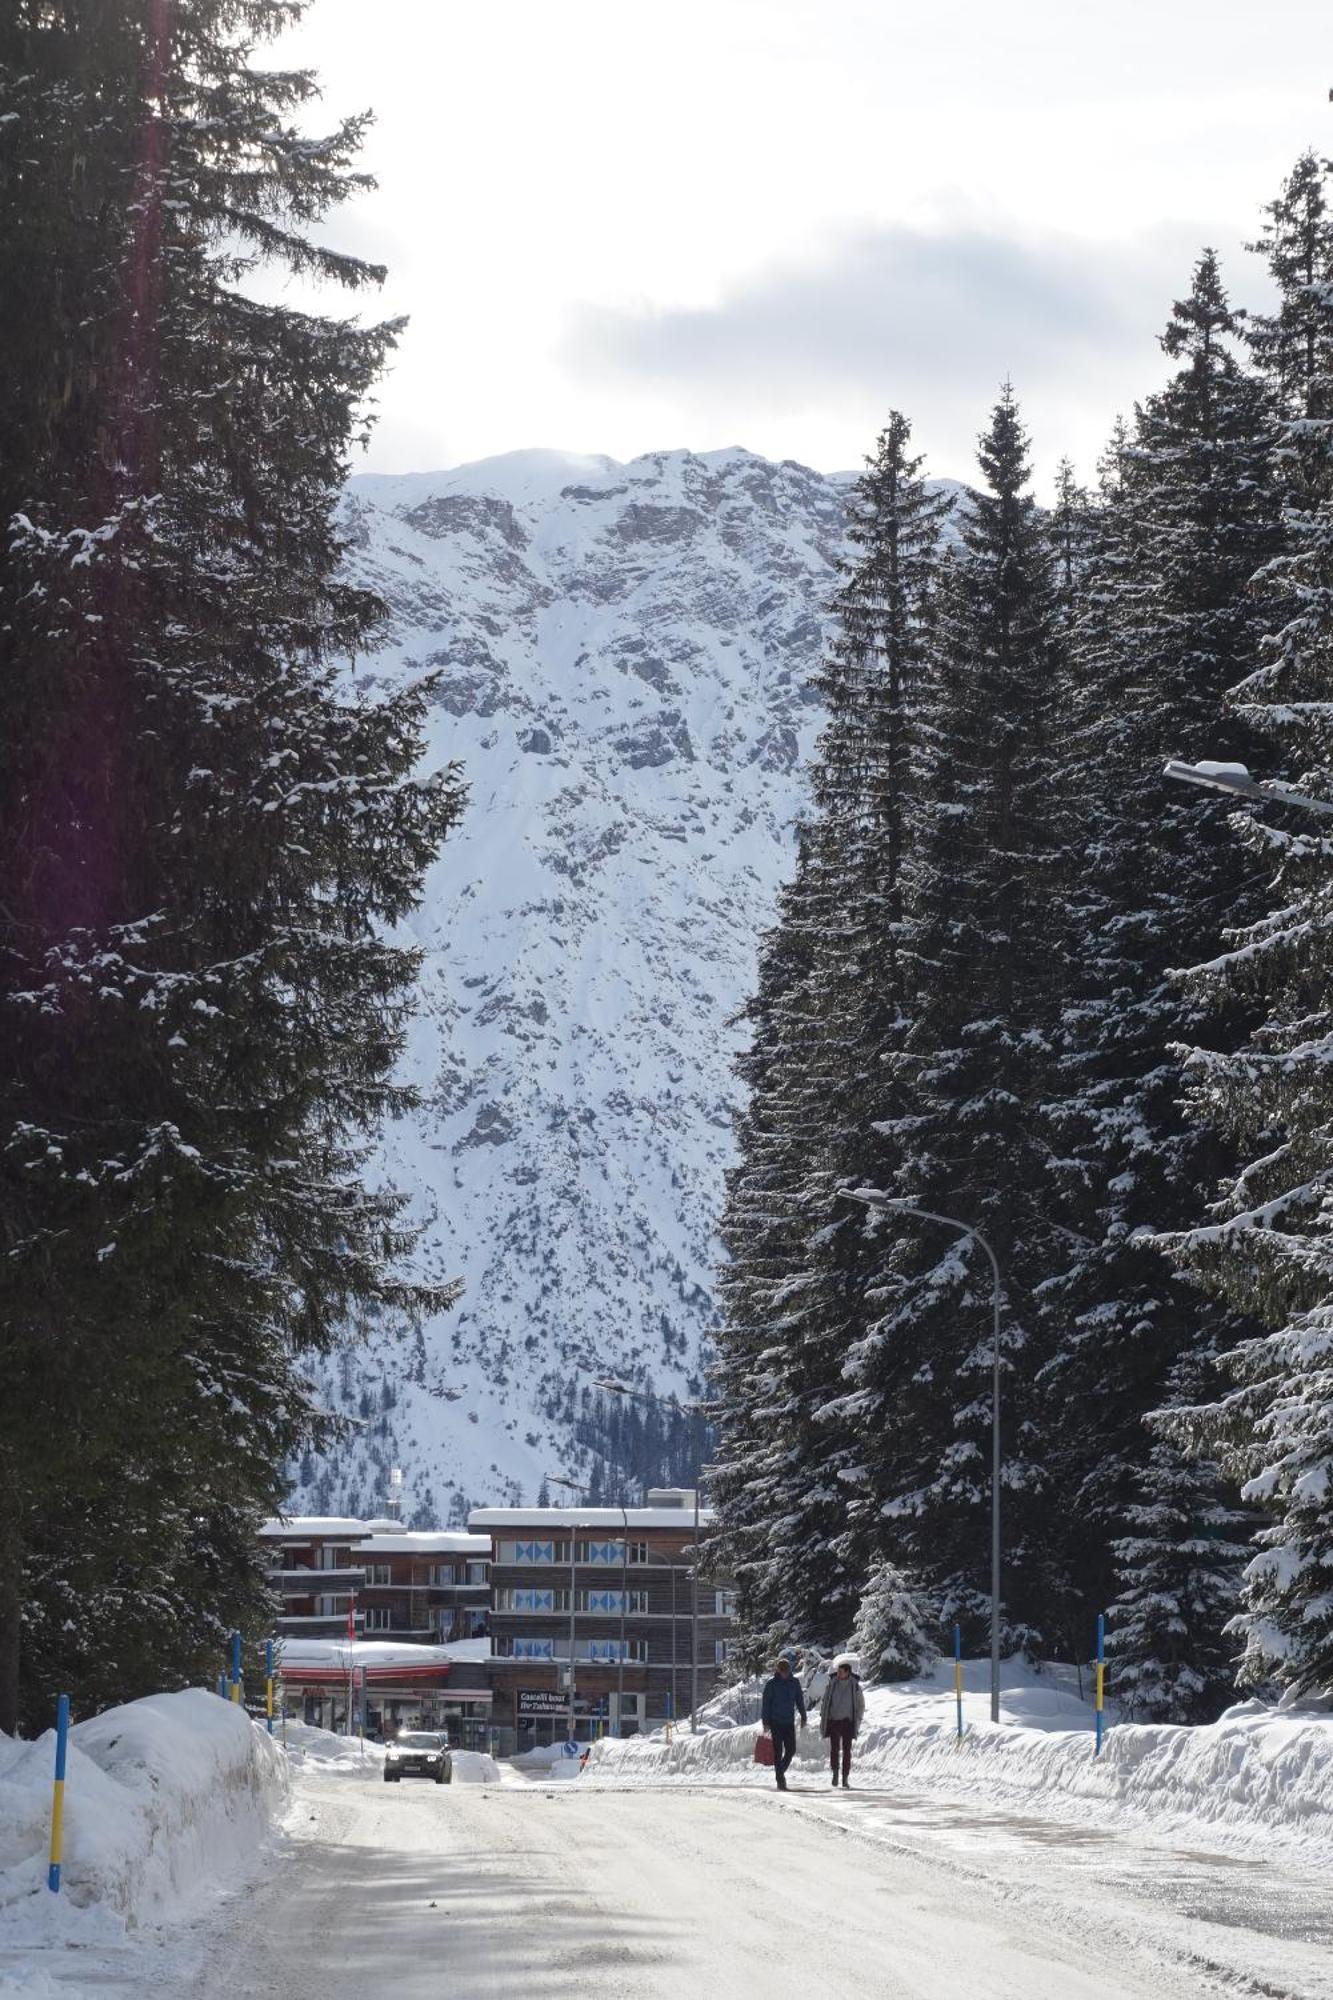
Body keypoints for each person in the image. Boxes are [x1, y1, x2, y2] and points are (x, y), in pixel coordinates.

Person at [759, 1653, 807, 1791]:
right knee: (778, 1751)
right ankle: (780, 1780)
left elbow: (799, 1700)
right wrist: (765, 1722)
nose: (785, 1674)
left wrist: (803, 1716)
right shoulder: (771, 1684)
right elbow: (766, 1704)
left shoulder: (794, 1683)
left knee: (791, 1750)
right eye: (783, 1672)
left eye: (787, 1671)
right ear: (778, 1671)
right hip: (775, 1722)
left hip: (789, 1722)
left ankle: (779, 1772)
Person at [819, 1654, 865, 1787]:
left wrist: (858, 1718)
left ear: (847, 1672)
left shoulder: (855, 1686)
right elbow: (826, 1700)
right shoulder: (832, 1683)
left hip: (847, 1722)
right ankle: (835, 1773)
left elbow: (861, 1704)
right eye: (838, 1671)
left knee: (847, 1750)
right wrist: (824, 1715)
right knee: (834, 1749)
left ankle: (845, 1777)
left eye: (840, 1671)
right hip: (834, 1721)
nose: (838, 1673)